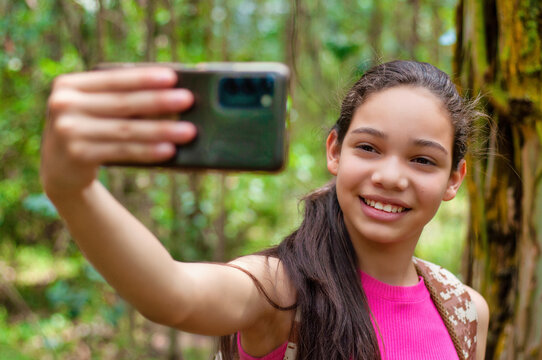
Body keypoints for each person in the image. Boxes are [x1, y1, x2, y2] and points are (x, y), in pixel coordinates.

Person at [40, 60, 489, 360]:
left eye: (422, 160)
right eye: (369, 147)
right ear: (335, 151)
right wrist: (72, 190)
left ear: (454, 178)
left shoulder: (465, 312)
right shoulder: (283, 289)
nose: (392, 177)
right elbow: (173, 294)